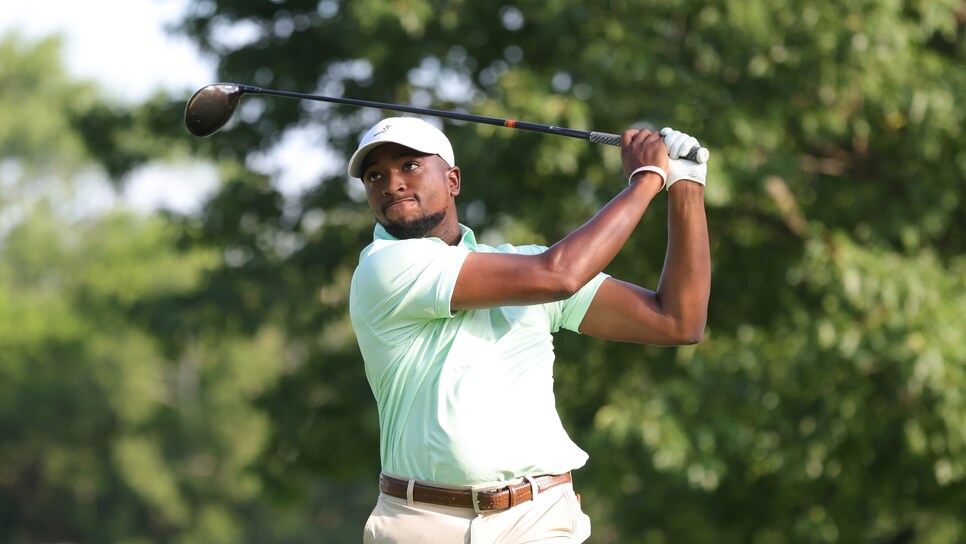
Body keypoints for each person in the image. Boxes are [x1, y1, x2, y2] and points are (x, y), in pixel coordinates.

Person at [347, 116, 711, 543]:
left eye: (409, 166)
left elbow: (677, 321)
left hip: (537, 519)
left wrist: (685, 185)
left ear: (453, 180)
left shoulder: (524, 263)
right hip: (421, 521)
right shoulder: (383, 267)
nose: (392, 184)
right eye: (375, 176)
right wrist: (648, 177)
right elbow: (560, 275)